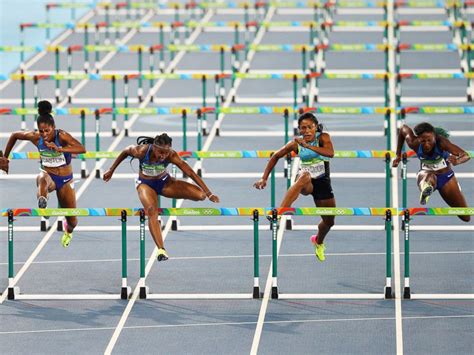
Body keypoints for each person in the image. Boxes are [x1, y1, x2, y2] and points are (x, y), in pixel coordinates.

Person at [103, 133, 220, 261]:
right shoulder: (141, 151)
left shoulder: (171, 155)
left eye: (166, 152)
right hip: (145, 185)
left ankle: (183, 188)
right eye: (161, 152)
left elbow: (190, 172)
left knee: (200, 195)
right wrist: (111, 170)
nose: (163, 156)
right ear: (154, 147)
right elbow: (125, 151)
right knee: (152, 211)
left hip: (165, 183)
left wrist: (209, 193)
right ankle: (161, 249)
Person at [0, 100, 86, 246]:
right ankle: (43, 204)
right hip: (49, 176)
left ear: (53, 128)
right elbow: (14, 135)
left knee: (73, 221)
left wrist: (60, 149)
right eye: (41, 131)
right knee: (42, 178)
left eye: (47, 131)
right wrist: (5, 158)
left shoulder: (62, 136)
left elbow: (81, 149)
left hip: (65, 180)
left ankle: (68, 231)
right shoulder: (36, 138)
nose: (44, 134)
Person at [254, 112, 336, 262]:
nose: (306, 131)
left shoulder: (323, 138)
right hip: (306, 183)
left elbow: (330, 153)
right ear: (299, 130)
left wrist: (307, 146)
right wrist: (263, 178)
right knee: (304, 176)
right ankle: (278, 214)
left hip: (323, 182)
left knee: (329, 222)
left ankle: (318, 241)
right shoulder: (295, 144)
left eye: (310, 127)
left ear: (316, 127)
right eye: (303, 128)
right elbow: (275, 156)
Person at [393, 122, 470, 222]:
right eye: (423, 141)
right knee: (430, 177)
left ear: (434, 136)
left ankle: (428, 187)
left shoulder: (441, 142)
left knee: (465, 217)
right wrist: (398, 154)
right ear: (418, 139)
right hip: (426, 174)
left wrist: (457, 160)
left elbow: (466, 155)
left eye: (429, 140)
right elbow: (403, 129)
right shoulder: (414, 142)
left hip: (446, 178)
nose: (426, 144)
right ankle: (426, 189)